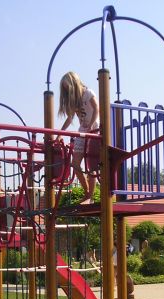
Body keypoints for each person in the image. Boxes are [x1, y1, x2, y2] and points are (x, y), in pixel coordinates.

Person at [57, 71, 99, 204]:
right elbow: (70, 118)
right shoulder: (75, 101)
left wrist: (91, 125)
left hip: (94, 128)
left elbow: (96, 108)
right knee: (75, 163)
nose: (67, 91)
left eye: (67, 88)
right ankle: (87, 192)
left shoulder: (88, 93)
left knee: (92, 164)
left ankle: (90, 196)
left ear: (73, 83)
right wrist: (60, 133)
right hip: (82, 130)